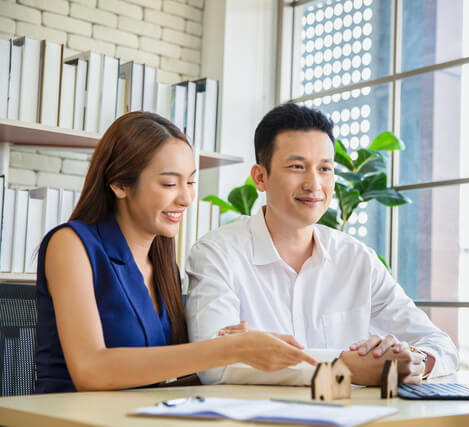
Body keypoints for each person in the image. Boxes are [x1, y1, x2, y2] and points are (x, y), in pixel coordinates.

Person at [34, 112, 316, 393]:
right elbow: (91, 371)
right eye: (170, 184)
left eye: (191, 182)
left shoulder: (160, 262)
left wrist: (241, 355)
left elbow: (157, 382)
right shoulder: (70, 244)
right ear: (119, 184)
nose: (186, 198)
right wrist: (225, 350)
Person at [186, 103, 458, 386]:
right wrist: (343, 366)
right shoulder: (216, 255)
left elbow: (440, 345)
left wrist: (413, 361)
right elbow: (213, 365)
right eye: (297, 167)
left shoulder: (357, 259)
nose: (314, 184)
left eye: (325, 168)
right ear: (260, 177)